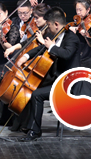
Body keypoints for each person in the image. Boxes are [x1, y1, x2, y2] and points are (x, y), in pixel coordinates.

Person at [14, 7, 80, 141]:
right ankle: (26, 125)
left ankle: (35, 131)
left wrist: (52, 47)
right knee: (29, 86)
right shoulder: (54, 35)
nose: (47, 28)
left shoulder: (72, 38)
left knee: (36, 95)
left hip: (67, 83)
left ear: (56, 24)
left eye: (48, 25)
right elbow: (40, 48)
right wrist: (25, 56)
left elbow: (66, 54)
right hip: (55, 78)